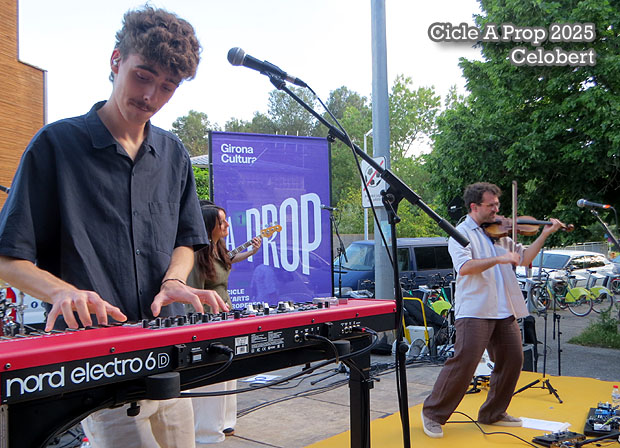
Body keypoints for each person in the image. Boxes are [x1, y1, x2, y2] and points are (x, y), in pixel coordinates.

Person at [0, 7, 228, 448]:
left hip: (168, 352)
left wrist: (174, 280)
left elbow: (185, 239)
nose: (151, 96)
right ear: (115, 60)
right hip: (101, 363)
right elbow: (8, 257)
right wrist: (62, 291)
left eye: (168, 86)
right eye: (143, 76)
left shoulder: (174, 154)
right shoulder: (54, 146)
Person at [421, 182, 563, 438]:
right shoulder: (460, 233)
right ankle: (433, 413)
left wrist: (544, 234)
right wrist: (499, 258)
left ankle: (493, 413)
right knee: (465, 362)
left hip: (504, 308)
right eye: (491, 205)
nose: (497, 210)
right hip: (475, 309)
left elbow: (525, 258)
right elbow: (465, 268)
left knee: (513, 359)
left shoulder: (500, 234)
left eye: (498, 204)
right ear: (474, 207)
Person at [188, 203, 261, 444]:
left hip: (225, 314)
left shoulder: (218, 248)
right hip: (207, 320)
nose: (227, 224)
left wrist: (251, 251)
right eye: (222, 221)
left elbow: (227, 260)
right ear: (210, 225)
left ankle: (226, 422)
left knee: (229, 369)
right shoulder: (196, 254)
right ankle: (208, 429)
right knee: (213, 374)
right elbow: (193, 293)